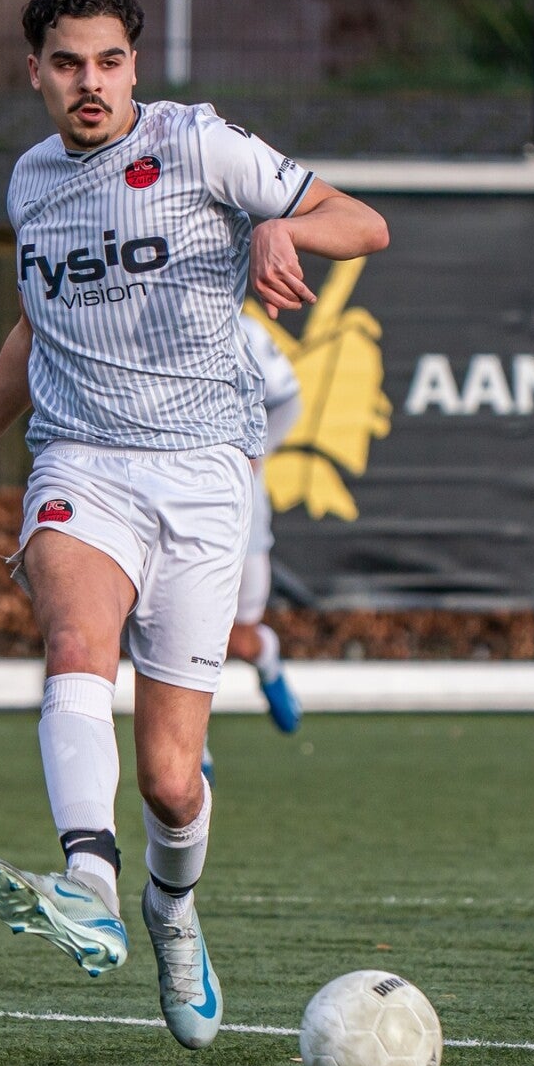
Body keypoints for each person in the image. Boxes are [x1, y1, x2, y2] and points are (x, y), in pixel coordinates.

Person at [0, 0, 387, 1050]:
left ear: (135, 66)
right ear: (33, 73)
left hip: (203, 473)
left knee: (173, 782)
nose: (89, 83)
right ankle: (87, 879)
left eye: (109, 62)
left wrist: (282, 230)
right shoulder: (31, 181)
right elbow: (32, 333)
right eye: (66, 64)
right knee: (74, 643)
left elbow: (363, 222)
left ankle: (170, 912)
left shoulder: (196, 144)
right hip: (80, 459)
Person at [203, 303, 306, 783]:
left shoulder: (243, 328)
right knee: (171, 633)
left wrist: (254, 456)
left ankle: (265, 654)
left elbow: (288, 399)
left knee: (236, 638)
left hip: (241, 508)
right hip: (169, 504)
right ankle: (189, 748)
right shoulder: (138, 318)